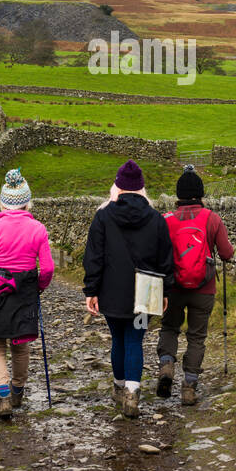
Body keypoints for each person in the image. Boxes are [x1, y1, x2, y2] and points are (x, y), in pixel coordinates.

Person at [83, 160, 173, 418]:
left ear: (118, 187)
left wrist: (92, 290)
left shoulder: (103, 216)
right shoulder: (156, 219)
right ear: (142, 189)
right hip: (146, 293)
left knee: (119, 339)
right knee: (135, 339)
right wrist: (165, 290)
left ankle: (120, 386)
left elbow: (94, 257)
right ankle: (132, 394)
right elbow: (166, 258)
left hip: (111, 290)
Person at [0, 169, 55, 420]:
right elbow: (47, 268)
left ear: (3, 202)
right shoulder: (38, 228)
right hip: (24, 292)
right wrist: (40, 287)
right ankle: (17, 392)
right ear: (27, 201)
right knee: (20, 345)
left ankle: (2, 395)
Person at [158, 165, 236, 406]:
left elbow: (156, 253)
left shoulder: (166, 220)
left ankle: (167, 366)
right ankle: (189, 388)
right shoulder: (212, 218)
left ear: (178, 195)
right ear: (201, 194)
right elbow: (227, 253)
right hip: (203, 288)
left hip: (172, 289)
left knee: (170, 328)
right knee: (197, 337)